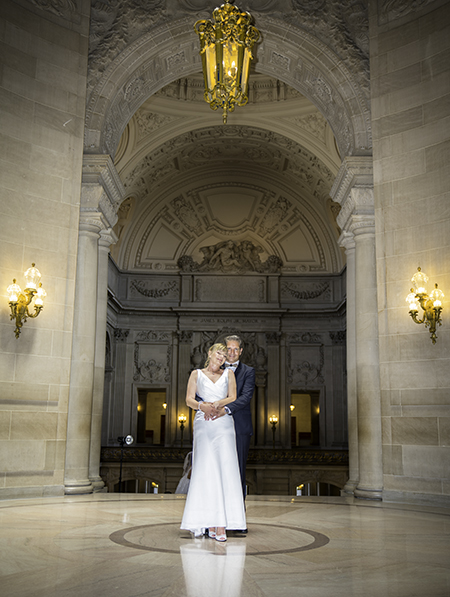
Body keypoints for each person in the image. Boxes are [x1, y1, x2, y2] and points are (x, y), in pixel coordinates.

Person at [180, 343, 246, 542]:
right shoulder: (196, 374)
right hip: (203, 424)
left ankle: (221, 524)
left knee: (225, 470)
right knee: (205, 471)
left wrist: (218, 405)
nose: (222, 357)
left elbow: (233, 396)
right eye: (219, 353)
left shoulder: (229, 375)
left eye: (225, 355)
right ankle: (207, 521)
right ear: (209, 353)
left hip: (223, 424)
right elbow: (189, 400)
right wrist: (204, 406)